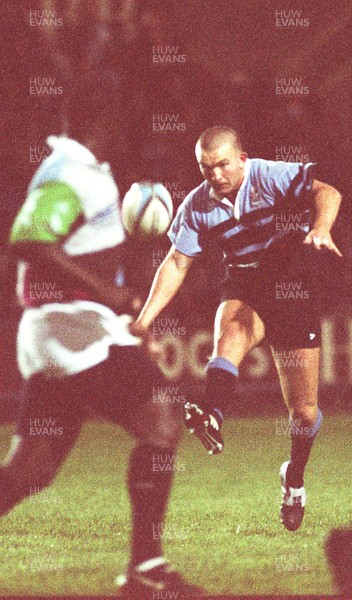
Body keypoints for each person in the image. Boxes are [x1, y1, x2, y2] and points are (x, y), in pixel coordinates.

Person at [2, 134, 203, 599]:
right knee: (161, 422)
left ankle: (144, 570)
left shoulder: (88, 173)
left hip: (69, 329)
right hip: (69, 328)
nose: (133, 122)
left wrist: (118, 310)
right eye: (122, 110)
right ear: (102, 116)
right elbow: (29, 241)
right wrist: (107, 296)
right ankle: (146, 570)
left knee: (29, 471)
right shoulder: (71, 172)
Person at [131, 125, 343, 532]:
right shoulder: (196, 205)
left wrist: (321, 227)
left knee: (303, 412)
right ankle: (212, 413)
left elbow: (327, 192)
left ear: (242, 159)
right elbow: (177, 263)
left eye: (223, 165)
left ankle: (294, 477)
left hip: (291, 289)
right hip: (245, 284)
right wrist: (143, 321)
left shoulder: (268, 175)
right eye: (205, 168)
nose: (215, 176)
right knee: (231, 334)